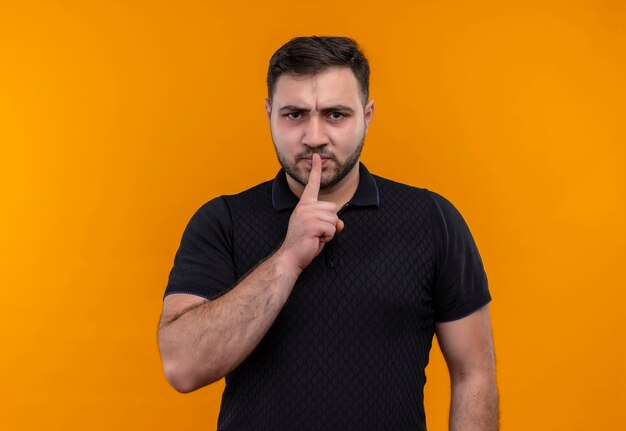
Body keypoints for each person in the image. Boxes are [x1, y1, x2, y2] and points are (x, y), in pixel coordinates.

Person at [158, 36, 498, 431]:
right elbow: (182, 366)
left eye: (336, 115)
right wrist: (287, 258)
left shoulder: (432, 219)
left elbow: (473, 373)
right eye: (294, 115)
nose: (315, 136)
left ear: (367, 115)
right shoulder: (223, 222)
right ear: (269, 113)